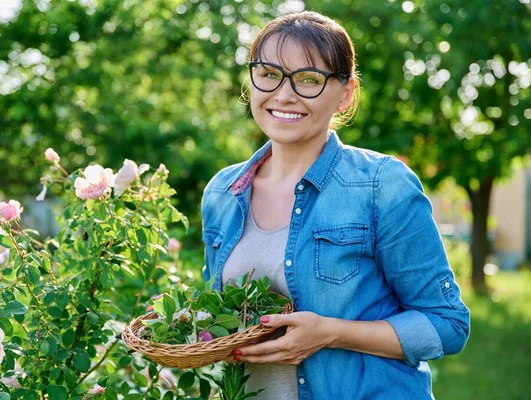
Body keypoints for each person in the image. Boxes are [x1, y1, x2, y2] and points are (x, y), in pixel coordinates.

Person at [201, 11, 470, 400]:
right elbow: (220, 322)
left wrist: (331, 333)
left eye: (309, 79)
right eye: (269, 73)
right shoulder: (223, 192)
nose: (284, 94)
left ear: (345, 93)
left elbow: (447, 324)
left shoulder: (381, 185)